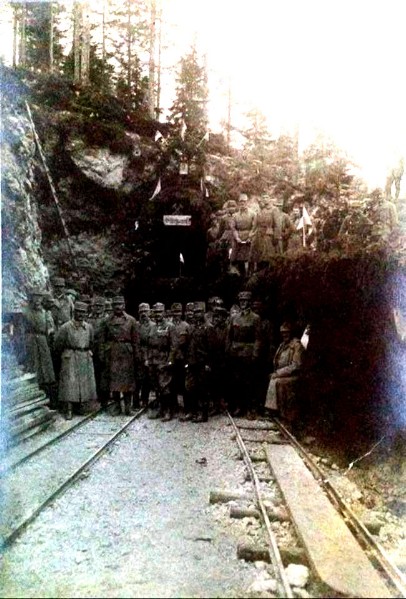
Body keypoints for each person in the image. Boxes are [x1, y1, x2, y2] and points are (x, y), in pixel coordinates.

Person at [54, 301, 97, 420]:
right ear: (74, 312)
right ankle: (69, 409)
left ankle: (81, 406)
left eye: (83, 312)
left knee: (83, 384)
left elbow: (92, 342)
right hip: (70, 357)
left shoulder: (88, 327)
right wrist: (64, 355)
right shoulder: (66, 327)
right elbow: (58, 345)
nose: (80, 315)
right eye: (78, 312)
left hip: (84, 356)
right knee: (69, 384)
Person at [100, 295, 139, 416]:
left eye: (120, 304)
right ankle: (117, 406)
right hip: (112, 352)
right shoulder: (106, 321)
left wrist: (137, 355)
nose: (118, 307)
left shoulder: (131, 320)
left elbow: (136, 340)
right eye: (115, 304)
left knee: (128, 380)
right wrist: (102, 353)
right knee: (114, 381)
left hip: (127, 353)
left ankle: (128, 407)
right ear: (112, 306)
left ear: (124, 306)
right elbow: (102, 339)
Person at [226, 291, 261, 417]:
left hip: (248, 354)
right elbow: (229, 337)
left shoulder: (255, 318)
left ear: (249, 302)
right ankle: (239, 407)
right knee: (237, 381)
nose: (243, 303)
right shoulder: (234, 318)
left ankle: (250, 409)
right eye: (241, 301)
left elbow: (258, 338)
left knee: (249, 382)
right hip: (235, 353)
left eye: (245, 301)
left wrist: (255, 354)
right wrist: (228, 351)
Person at [265, 322, 305, 423]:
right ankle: (273, 410)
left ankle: (276, 411)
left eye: (286, 333)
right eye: (282, 333)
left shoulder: (296, 346)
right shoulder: (282, 345)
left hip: (293, 375)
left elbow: (296, 365)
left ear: (291, 333)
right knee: (273, 379)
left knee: (277, 381)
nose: (284, 335)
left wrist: (278, 373)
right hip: (283, 374)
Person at [22, 288, 56, 405]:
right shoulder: (25, 312)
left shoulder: (46, 313)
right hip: (30, 342)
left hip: (43, 342)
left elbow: (51, 330)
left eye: (39, 297)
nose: (37, 300)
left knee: (46, 370)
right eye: (35, 297)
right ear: (31, 298)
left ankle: (49, 399)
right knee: (33, 367)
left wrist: (50, 333)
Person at [145, 302, 175, 421]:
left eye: (160, 312)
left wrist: (170, 361)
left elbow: (173, 346)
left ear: (164, 312)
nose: (158, 315)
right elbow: (148, 345)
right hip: (153, 360)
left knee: (165, 387)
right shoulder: (151, 327)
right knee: (156, 386)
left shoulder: (170, 326)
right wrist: (147, 359)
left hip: (164, 360)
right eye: (156, 312)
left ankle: (168, 411)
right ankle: (160, 409)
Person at [184, 301, 211, 422]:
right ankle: (192, 412)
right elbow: (188, 346)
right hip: (192, 362)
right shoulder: (190, 328)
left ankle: (203, 414)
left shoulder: (208, 328)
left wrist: (208, 363)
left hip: (202, 362)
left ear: (204, 312)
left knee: (203, 389)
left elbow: (211, 348)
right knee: (190, 387)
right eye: (195, 312)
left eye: (199, 312)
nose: (196, 314)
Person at [170, 302, 190, 418]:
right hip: (171, 358)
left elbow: (188, 344)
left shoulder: (186, 326)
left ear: (181, 313)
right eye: (174, 312)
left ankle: (186, 408)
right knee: (171, 383)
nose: (176, 314)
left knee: (184, 384)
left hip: (182, 359)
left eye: (178, 312)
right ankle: (174, 407)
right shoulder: (168, 325)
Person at [230, 193, 256, 277]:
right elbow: (233, 228)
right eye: (241, 202)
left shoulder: (253, 214)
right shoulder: (235, 216)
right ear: (238, 203)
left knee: (250, 259)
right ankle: (241, 276)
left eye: (244, 201)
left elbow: (254, 227)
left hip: (250, 238)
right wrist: (237, 238)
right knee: (239, 260)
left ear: (247, 202)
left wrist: (250, 237)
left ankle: (250, 276)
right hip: (239, 239)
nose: (242, 203)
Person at [249, 195, 276, 272]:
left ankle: (267, 272)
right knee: (258, 256)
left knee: (267, 257)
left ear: (269, 200)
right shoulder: (259, 212)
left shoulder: (274, 210)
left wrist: (275, 238)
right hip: (258, 235)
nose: (264, 200)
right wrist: (251, 234)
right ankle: (258, 272)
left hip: (268, 235)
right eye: (263, 198)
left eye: (267, 198)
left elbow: (277, 225)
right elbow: (255, 225)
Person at [88, 297, 106, 409]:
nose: (98, 308)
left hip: (103, 349)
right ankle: (93, 397)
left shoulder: (106, 319)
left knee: (103, 374)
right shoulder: (88, 319)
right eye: (96, 306)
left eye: (100, 306)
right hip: (91, 349)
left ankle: (103, 398)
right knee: (92, 374)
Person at [136, 303, 155, 408]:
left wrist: (148, 357)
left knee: (147, 379)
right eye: (141, 312)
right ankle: (135, 401)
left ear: (149, 312)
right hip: (138, 353)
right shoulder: (136, 325)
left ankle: (144, 399)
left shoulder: (153, 326)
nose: (143, 314)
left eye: (145, 311)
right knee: (137, 379)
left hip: (149, 353)